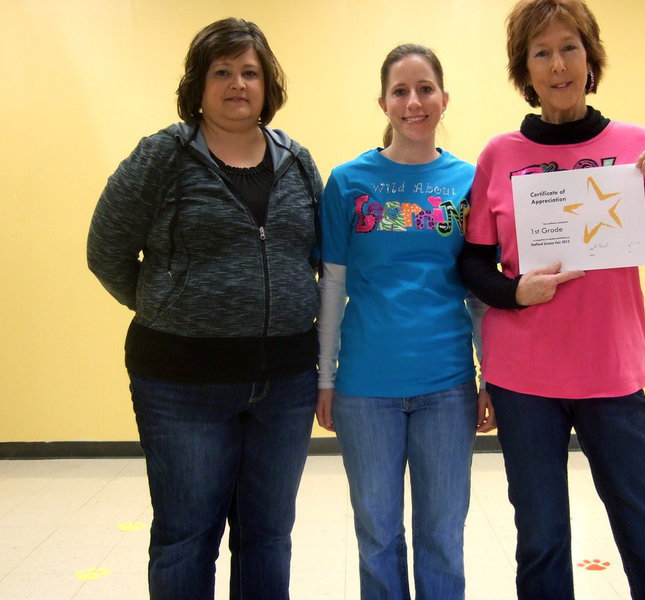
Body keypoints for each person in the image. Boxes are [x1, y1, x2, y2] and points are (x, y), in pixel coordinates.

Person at [458, 1, 645, 599]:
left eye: (569, 47)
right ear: (526, 69)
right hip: (524, 382)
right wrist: (515, 292)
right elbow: (471, 263)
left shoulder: (634, 147)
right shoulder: (500, 154)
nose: (557, 64)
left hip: (612, 375)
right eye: (541, 52)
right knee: (541, 542)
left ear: (590, 58)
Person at [87, 18, 322, 600]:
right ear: (198, 84)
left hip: (286, 382)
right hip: (181, 383)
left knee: (269, 535)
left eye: (250, 72)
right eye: (222, 72)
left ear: (269, 85)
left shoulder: (297, 161)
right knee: (187, 536)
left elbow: (320, 255)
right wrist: (166, 306)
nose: (237, 84)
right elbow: (107, 250)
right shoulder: (162, 156)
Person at [315, 44, 494, 600]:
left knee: (443, 534)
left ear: (444, 98)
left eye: (424, 89)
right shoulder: (348, 183)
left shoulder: (471, 182)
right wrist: (325, 378)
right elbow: (333, 289)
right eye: (400, 91)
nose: (413, 102)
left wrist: (491, 374)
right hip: (365, 390)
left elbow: (480, 295)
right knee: (377, 535)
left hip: (447, 386)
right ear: (383, 103)